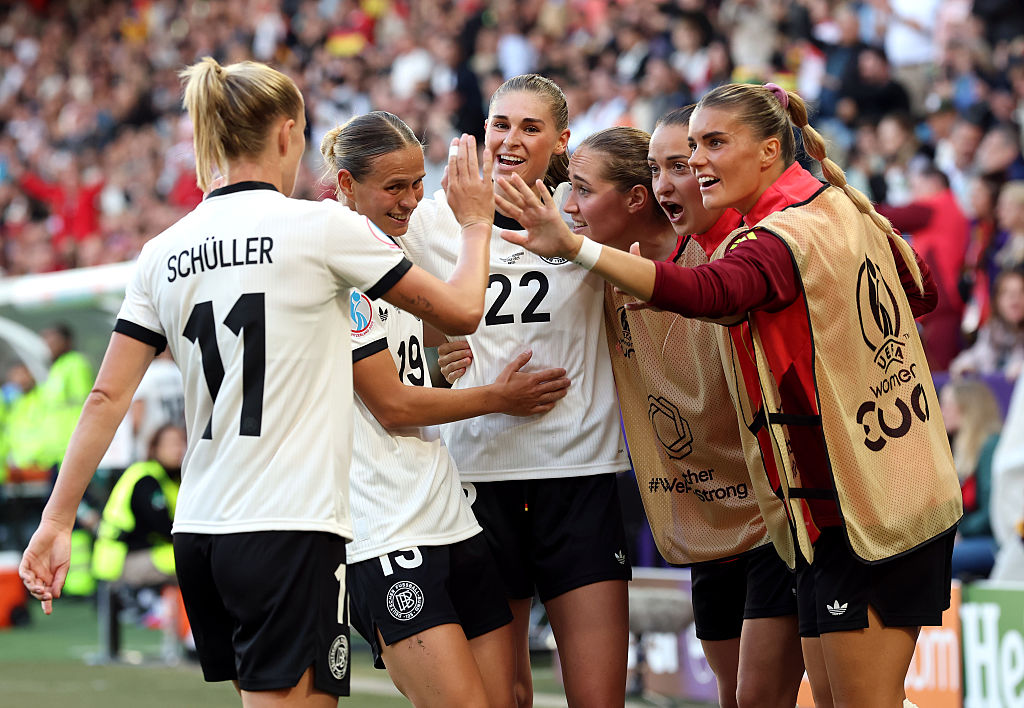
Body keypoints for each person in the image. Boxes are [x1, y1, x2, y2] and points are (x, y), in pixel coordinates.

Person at [20, 56, 497, 708]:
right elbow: (463, 309)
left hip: (202, 531)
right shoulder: (319, 227)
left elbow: (107, 397)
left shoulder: (162, 251)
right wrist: (474, 223)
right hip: (287, 525)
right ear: (287, 133)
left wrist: (56, 519)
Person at [495, 82, 961, 708]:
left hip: (861, 503)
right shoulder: (833, 212)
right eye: (689, 149)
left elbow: (713, 293)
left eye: (709, 146)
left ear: (770, 150)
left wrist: (576, 246)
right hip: (827, 507)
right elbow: (921, 291)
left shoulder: (779, 237)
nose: (695, 166)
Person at [441, 118, 804, 708]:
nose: (568, 204)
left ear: (634, 199)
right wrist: (448, 350)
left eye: (582, 189)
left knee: (771, 695)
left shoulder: (718, 257)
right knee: (736, 695)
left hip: (774, 516)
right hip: (710, 526)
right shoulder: (593, 275)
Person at [319, 110, 570, 708]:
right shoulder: (337, 261)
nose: (410, 201)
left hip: (445, 507)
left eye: (417, 183)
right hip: (380, 523)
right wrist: (496, 397)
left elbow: (416, 345)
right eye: (393, 187)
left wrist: (438, 358)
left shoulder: (395, 251)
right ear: (347, 185)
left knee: (511, 697)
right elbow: (392, 403)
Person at [400, 74, 631, 708]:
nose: (511, 139)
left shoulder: (580, 211)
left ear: (560, 141)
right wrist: (432, 356)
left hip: (577, 471)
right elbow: (412, 334)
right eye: (502, 124)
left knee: (598, 697)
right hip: (476, 475)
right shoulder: (435, 217)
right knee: (501, 698)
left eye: (531, 127)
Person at [92, 424, 185, 588]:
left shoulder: (169, 478)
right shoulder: (146, 479)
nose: (178, 450)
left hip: (144, 553)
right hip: (123, 560)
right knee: (192, 563)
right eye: (171, 444)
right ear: (155, 448)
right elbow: (163, 526)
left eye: (181, 443)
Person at [940, 379, 1002, 579]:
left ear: (966, 408)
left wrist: (962, 533)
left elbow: (992, 511)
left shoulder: (990, 446)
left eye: (946, 404)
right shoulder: (959, 449)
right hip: (971, 539)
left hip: (994, 541)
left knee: (942, 558)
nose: (941, 411)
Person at [951, 268, 1024, 380]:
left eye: (1021, 292)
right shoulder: (990, 331)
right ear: (997, 300)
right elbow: (975, 356)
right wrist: (964, 365)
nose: (1014, 298)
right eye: (1006, 292)